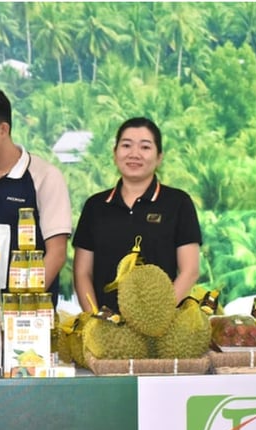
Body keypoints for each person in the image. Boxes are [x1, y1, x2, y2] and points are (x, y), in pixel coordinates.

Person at [0, 84, 72, 303]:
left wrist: (19, 307)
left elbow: (56, 254)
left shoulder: (44, 176)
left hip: (31, 316)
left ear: (3, 129)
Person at [72, 117, 201, 314]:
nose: (134, 154)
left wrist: (157, 318)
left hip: (161, 328)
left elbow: (190, 271)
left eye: (145, 147)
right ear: (115, 154)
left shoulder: (178, 203)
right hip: (106, 327)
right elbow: (82, 272)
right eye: (126, 145)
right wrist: (95, 320)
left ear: (159, 157)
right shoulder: (95, 206)